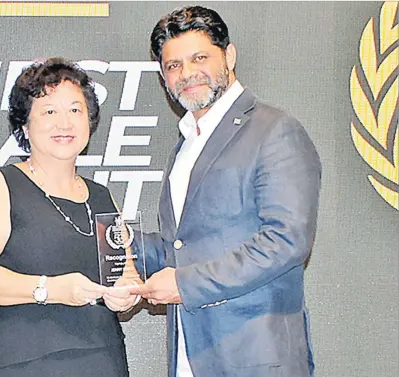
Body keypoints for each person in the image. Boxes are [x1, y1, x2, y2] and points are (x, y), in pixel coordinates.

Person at [131, 6, 322, 377]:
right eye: (173, 66)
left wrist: (184, 284)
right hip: (190, 356)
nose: (186, 74)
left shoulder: (274, 131)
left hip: (255, 359)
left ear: (229, 55)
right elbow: (181, 247)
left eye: (198, 58)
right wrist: (119, 243)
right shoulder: (186, 144)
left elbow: (286, 241)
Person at [0, 58, 137, 377]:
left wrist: (127, 293)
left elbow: (124, 274)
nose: (64, 123)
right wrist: (51, 289)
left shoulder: (101, 196)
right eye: (49, 111)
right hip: (21, 362)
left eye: (75, 110)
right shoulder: (1, 183)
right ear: (25, 125)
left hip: (102, 358)